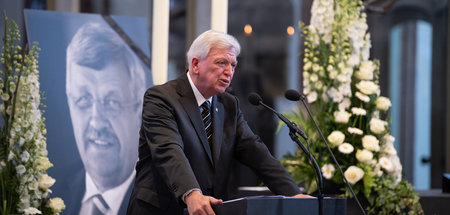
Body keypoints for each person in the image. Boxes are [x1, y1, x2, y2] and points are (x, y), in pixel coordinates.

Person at [126, 30, 310, 215]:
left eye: (233, 65)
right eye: (221, 63)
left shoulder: (229, 104)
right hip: (159, 209)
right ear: (196, 64)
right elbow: (169, 151)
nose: (229, 71)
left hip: (208, 209)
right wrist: (191, 194)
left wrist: (294, 194)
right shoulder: (162, 98)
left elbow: (256, 152)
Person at [64, 22, 147, 215]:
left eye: (112, 102)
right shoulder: (51, 190)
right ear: (70, 103)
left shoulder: (160, 201)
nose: (96, 122)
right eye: (83, 100)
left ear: (139, 110)